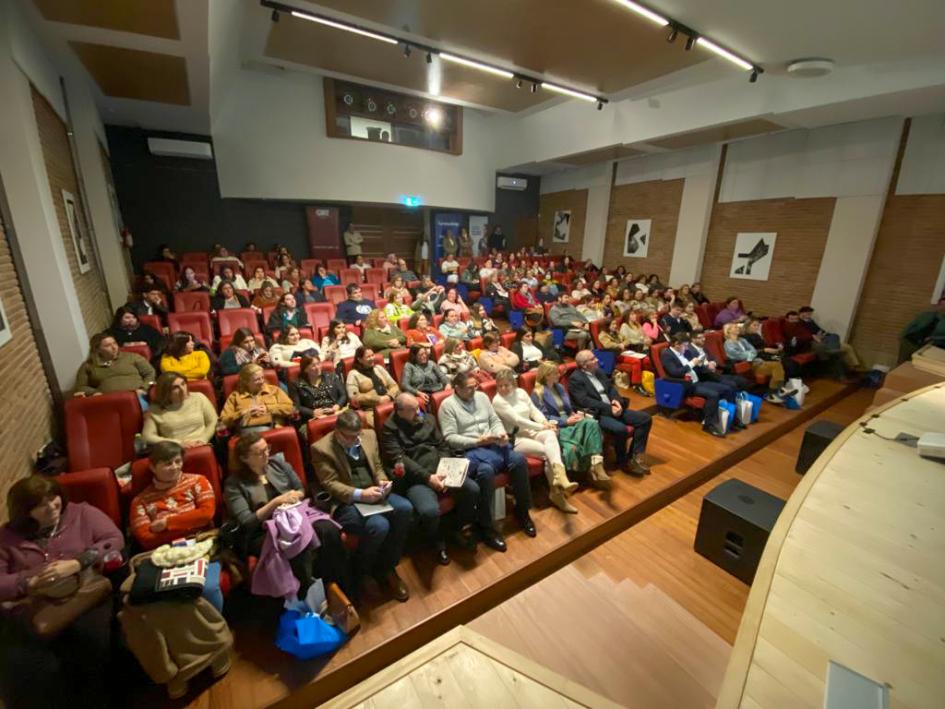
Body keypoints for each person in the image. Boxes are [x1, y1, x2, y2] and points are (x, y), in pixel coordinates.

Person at [0, 475, 123, 709]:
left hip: (83, 595)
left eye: (53, 499)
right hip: (34, 606)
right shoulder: (6, 538)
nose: (51, 507)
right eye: (40, 505)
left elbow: (113, 539)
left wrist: (78, 562)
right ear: (24, 510)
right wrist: (29, 582)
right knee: (22, 667)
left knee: (92, 643)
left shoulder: (81, 514)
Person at [226, 432, 349, 597]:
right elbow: (247, 521)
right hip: (263, 529)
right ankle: (305, 596)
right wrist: (276, 502)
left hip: (295, 513)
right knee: (295, 544)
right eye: (260, 452)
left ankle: (334, 583)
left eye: (267, 448)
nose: (267, 454)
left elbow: (300, 489)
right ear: (244, 458)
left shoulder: (277, 463)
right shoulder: (234, 484)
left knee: (328, 529)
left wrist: (293, 497)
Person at [311, 411, 412, 601]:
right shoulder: (321, 448)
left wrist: (382, 481)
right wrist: (360, 494)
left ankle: (387, 566)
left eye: (357, 435)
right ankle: (363, 572)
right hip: (347, 500)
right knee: (379, 525)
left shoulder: (369, 435)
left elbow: (378, 466)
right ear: (337, 432)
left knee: (405, 508)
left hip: (373, 492)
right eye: (349, 436)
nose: (355, 439)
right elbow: (330, 483)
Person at [438, 372, 535, 547]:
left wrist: (501, 433)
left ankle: (523, 512)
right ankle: (487, 526)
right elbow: (450, 438)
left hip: (492, 444)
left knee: (519, 461)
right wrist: (477, 441)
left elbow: (494, 419)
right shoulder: (447, 406)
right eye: (469, 388)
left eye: (475, 386)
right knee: (486, 471)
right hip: (470, 449)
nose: (474, 390)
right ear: (457, 388)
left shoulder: (482, 397)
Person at [380, 393, 476, 565]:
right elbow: (400, 459)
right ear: (400, 412)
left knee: (472, 490)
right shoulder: (389, 429)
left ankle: (454, 528)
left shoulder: (427, 418)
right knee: (429, 511)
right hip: (416, 478)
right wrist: (428, 478)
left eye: (418, 407)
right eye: (412, 410)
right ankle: (436, 540)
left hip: (441, 470)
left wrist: (444, 469)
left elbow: (442, 445)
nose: (418, 412)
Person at [491, 369, 580, 513]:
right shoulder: (498, 401)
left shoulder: (520, 392)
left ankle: (560, 476)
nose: (502, 389)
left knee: (550, 435)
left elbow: (533, 411)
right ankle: (557, 493)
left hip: (531, 430)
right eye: (499, 386)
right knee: (547, 452)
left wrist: (545, 422)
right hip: (515, 437)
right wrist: (542, 425)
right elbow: (517, 420)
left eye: (506, 385)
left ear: (513, 383)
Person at [569, 350, 652, 476]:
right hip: (598, 413)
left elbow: (611, 389)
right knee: (620, 429)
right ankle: (622, 461)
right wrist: (609, 408)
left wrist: (616, 401)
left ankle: (635, 456)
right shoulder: (575, 379)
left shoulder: (598, 372)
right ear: (584, 365)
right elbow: (584, 401)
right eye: (592, 359)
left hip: (613, 408)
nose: (596, 360)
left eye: (594, 358)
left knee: (645, 419)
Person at [531, 362, 610, 488]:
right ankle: (592, 470)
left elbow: (568, 409)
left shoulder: (560, 387)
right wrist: (565, 422)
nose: (559, 374)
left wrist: (574, 415)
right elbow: (543, 417)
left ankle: (597, 462)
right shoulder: (537, 393)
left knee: (592, 423)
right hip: (557, 425)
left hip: (570, 419)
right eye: (556, 373)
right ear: (547, 375)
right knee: (586, 434)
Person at [129, 441, 215, 550]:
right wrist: (192, 523)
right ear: (153, 467)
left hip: (202, 542)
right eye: (168, 463)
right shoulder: (140, 501)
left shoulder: (198, 481)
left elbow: (206, 515)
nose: (175, 467)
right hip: (164, 552)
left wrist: (167, 523)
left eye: (178, 461)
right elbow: (146, 539)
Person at [660, 333, 739, 437]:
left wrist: (700, 363)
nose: (687, 347)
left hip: (698, 381)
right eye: (685, 345)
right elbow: (675, 372)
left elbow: (694, 366)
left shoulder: (684, 352)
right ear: (676, 344)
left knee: (728, 389)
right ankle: (708, 425)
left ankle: (730, 419)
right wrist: (692, 363)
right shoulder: (667, 354)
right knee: (713, 395)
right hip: (686, 385)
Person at [74, 332, 155, 404]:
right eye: (107, 346)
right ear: (97, 349)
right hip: (108, 402)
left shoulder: (132, 357)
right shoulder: (88, 365)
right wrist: (95, 392)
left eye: (114, 343)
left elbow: (150, 373)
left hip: (138, 397)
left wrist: (144, 388)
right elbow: (81, 386)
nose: (114, 347)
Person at [142, 372, 217, 447]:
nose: (182, 389)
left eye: (183, 384)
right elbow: (147, 437)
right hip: (176, 450)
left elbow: (213, 421)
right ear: (165, 391)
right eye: (175, 387)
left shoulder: (199, 398)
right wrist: (178, 443)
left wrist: (203, 439)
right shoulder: (155, 409)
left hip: (204, 445)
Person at [220, 363, 295, 433]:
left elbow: (290, 408)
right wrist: (242, 413)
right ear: (246, 382)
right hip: (246, 434)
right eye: (257, 379)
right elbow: (224, 420)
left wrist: (268, 408)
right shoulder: (235, 396)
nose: (262, 381)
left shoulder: (274, 390)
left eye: (262, 377)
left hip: (273, 430)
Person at [723, 323, 786, 403]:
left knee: (777, 364)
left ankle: (775, 391)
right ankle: (776, 391)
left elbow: (753, 350)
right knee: (775, 367)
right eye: (735, 327)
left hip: (756, 361)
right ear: (728, 331)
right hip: (747, 366)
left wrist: (750, 355)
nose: (738, 329)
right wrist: (750, 354)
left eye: (737, 327)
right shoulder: (728, 344)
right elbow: (738, 356)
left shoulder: (742, 340)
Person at [794, 306, 862, 371]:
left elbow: (819, 330)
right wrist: (816, 336)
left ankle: (854, 366)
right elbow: (806, 334)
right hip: (815, 342)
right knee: (839, 350)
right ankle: (847, 367)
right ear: (802, 313)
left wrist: (824, 333)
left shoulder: (810, 321)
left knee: (847, 347)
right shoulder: (799, 322)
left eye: (810, 313)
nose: (810, 315)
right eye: (808, 313)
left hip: (823, 338)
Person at [288, 354, 346, 424]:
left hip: (335, 413)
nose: (317, 367)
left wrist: (337, 406)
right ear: (305, 369)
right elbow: (296, 406)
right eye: (313, 366)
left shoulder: (331, 377)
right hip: (314, 419)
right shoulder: (296, 384)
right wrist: (312, 412)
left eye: (318, 364)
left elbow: (343, 395)